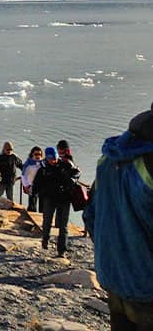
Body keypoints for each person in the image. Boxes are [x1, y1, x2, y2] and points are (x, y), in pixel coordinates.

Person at [84, 104, 153, 330]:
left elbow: (91, 216)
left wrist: (113, 255)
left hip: (114, 276)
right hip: (146, 286)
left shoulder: (109, 159)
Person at [32, 146, 79, 257]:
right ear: (47, 158)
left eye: (55, 158)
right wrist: (34, 193)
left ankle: (61, 250)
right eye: (51, 159)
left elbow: (77, 172)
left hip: (64, 198)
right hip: (49, 198)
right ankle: (45, 241)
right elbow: (36, 184)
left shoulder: (66, 164)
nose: (54, 161)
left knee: (63, 226)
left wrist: (72, 179)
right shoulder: (43, 169)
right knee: (47, 222)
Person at [21, 146, 45, 212]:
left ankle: (42, 217)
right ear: (32, 154)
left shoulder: (43, 163)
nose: (38, 156)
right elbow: (23, 176)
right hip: (32, 186)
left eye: (40, 154)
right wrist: (26, 186)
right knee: (32, 204)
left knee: (42, 205)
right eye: (36, 154)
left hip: (42, 186)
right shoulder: (28, 164)